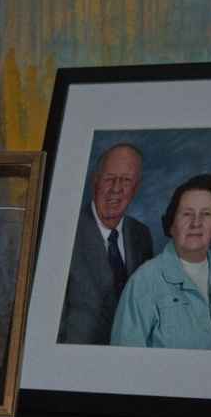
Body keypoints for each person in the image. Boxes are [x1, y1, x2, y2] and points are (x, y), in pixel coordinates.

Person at [110, 174, 211, 350]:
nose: (196, 223)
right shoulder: (144, 281)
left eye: (206, 214)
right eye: (187, 214)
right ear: (172, 224)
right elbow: (123, 361)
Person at [57, 144, 153, 345]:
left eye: (126, 180)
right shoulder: (63, 231)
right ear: (96, 181)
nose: (116, 189)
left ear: (136, 188)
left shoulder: (141, 235)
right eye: (109, 178)